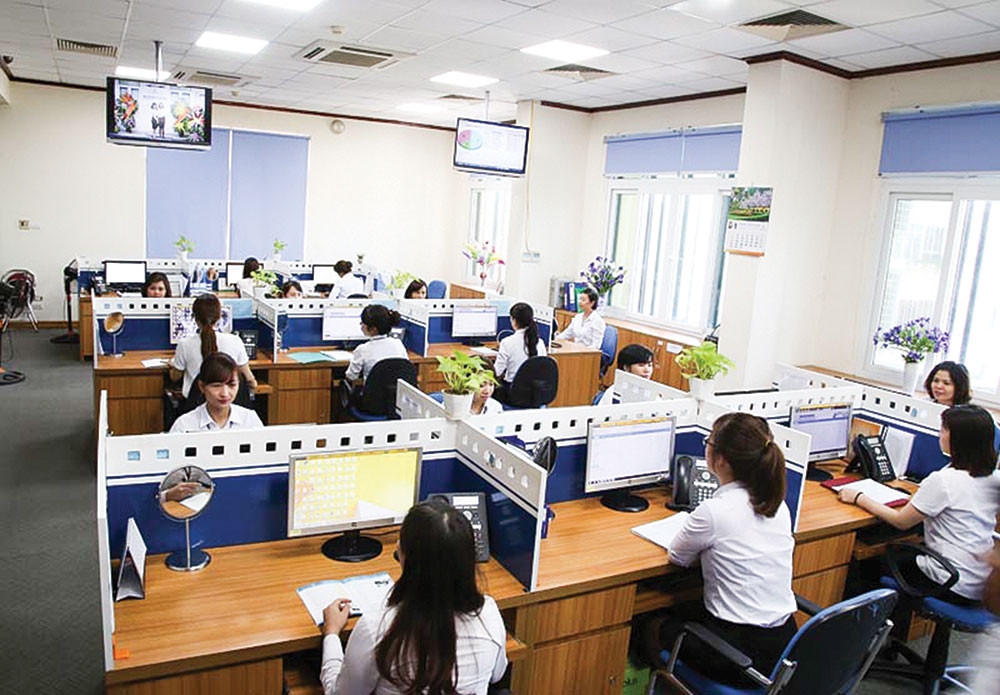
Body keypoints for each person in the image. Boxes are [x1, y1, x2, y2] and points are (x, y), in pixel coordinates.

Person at [643, 412, 797, 685]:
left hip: (738, 657)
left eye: (709, 442)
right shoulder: (777, 505)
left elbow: (677, 557)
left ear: (721, 459)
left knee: (650, 625)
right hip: (782, 646)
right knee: (687, 607)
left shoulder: (715, 511)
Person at [838, 404, 1000, 634]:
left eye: (944, 429)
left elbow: (901, 521)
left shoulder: (943, 481)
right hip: (979, 583)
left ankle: (862, 637)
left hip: (948, 582)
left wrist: (859, 497)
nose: (939, 434)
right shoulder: (993, 478)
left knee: (864, 566)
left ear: (959, 440)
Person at [319, 498, 507, 695]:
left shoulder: (376, 628)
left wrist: (331, 634)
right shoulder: (489, 614)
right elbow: (496, 675)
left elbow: (339, 693)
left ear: (404, 556)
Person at [169, 294, 257, 400]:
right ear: (219, 317)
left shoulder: (184, 345)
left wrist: (174, 365)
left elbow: (175, 378)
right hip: (227, 403)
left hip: (196, 404)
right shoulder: (235, 341)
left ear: (195, 318)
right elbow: (249, 379)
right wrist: (254, 384)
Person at [170, 353, 263, 432]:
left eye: (232, 385)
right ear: (202, 386)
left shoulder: (250, 420)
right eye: (216, 386)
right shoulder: (184, 426)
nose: (225, 393)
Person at [345, 304, 408, 383]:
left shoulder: (363, 350)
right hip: (397, 390)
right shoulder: (398, 344)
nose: (361, 325)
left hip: (373, 391)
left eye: (363, 323)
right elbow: (406, 368)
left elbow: (351, 376)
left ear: (373, 329)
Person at [494, 302, 547, 386]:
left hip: (512, 388)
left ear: (513, 320)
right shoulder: (540, 343)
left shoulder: (507, 342)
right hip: (535, 389)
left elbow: (497, 372)